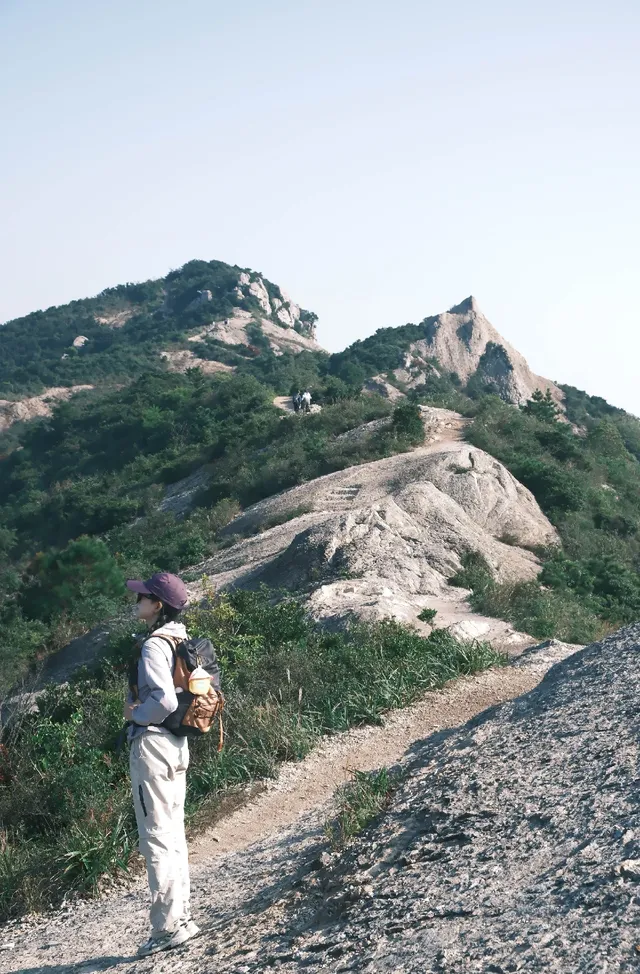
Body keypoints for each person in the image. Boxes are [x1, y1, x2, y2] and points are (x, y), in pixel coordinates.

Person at [124, 572, 199, 957]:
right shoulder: (182, 639)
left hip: (152, 745)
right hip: (178, 744)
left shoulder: (155, 644)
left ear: (157, 606)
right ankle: (182, 918)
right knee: (174, 833)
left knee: (156, 835)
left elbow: (166, 702)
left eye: (143, 598)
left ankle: (167, 928)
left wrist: (136, 715)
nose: (137, 603)